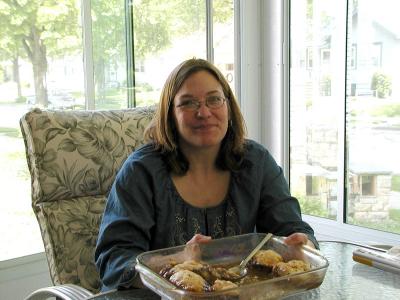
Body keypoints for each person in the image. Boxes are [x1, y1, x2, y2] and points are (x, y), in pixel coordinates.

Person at [95, 58, 318, 291]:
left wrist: (303, 247)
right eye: (188, 103)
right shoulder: (141, 171)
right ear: (170, 114)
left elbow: (291, 229)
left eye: (214, 99)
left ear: (228, 107)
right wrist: (177, 261)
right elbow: (113, 261)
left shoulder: (256, 162)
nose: (204, 112)